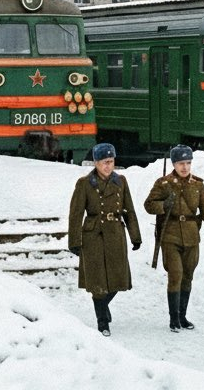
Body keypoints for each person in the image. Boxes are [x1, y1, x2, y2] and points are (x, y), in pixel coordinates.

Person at [142, 145, 204, 332]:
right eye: (180, 163)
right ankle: (174, 318)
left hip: (192, 237)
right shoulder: (163, 183)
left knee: (187, 277)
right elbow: (148, 205)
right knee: (175, 276)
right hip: (170, 236)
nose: (184, 167)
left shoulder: (198, 185)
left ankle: (183, 316)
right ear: (174, 164)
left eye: (187, 163)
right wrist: (163, 205)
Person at [67, 143, 141, 336]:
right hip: (94, 235)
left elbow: (129, 210)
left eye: (111, 161)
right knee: (97, 280)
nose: (109, 166)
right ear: (96, 163)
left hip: (116, 233)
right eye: (104, 162)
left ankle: (102, 307)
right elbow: (76, 213)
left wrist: (135, 236)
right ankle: (102, 321)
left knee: (119, 278)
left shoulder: (121, 181)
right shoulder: (84, 183)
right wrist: (74, 241)